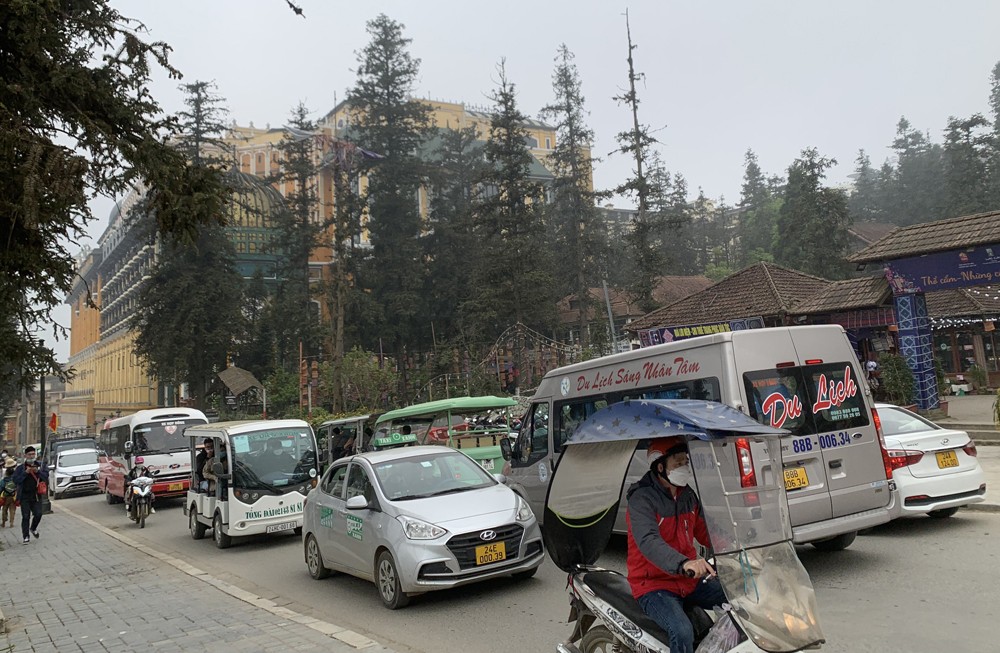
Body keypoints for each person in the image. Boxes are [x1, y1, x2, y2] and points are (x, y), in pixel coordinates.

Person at [626, 436, 724, 653]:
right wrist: (684, 563)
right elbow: (648, 541)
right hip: (653, 585)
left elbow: (706, 531)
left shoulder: (687, 495)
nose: (684, 467)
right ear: (660, 467)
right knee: (682, 631)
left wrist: (735, 544)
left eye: (685, 462)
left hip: (688, 580)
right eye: (678, 463)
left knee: (739, 597)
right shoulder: (642, 499)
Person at [13, 446, 49, 545]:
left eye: (33, 454)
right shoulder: (21, 468)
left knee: (38, 514)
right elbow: (16, 480)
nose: (31, 456)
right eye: (29, 454)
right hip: (24, 496)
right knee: (25, 516)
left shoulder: (40, 466)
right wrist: (25, 473)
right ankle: (25, 536)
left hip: (36, 495)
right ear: (25, 455)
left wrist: (38, 472)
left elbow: (46, 477)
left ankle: (33, 528)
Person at [1, 458, 18, 527]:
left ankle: (3, 522)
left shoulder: (5, 479)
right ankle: (11, 523)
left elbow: (1, 486)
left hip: (5, 496)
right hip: (13, 496)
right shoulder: (15, 476)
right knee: (12, 509)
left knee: (4, 509)